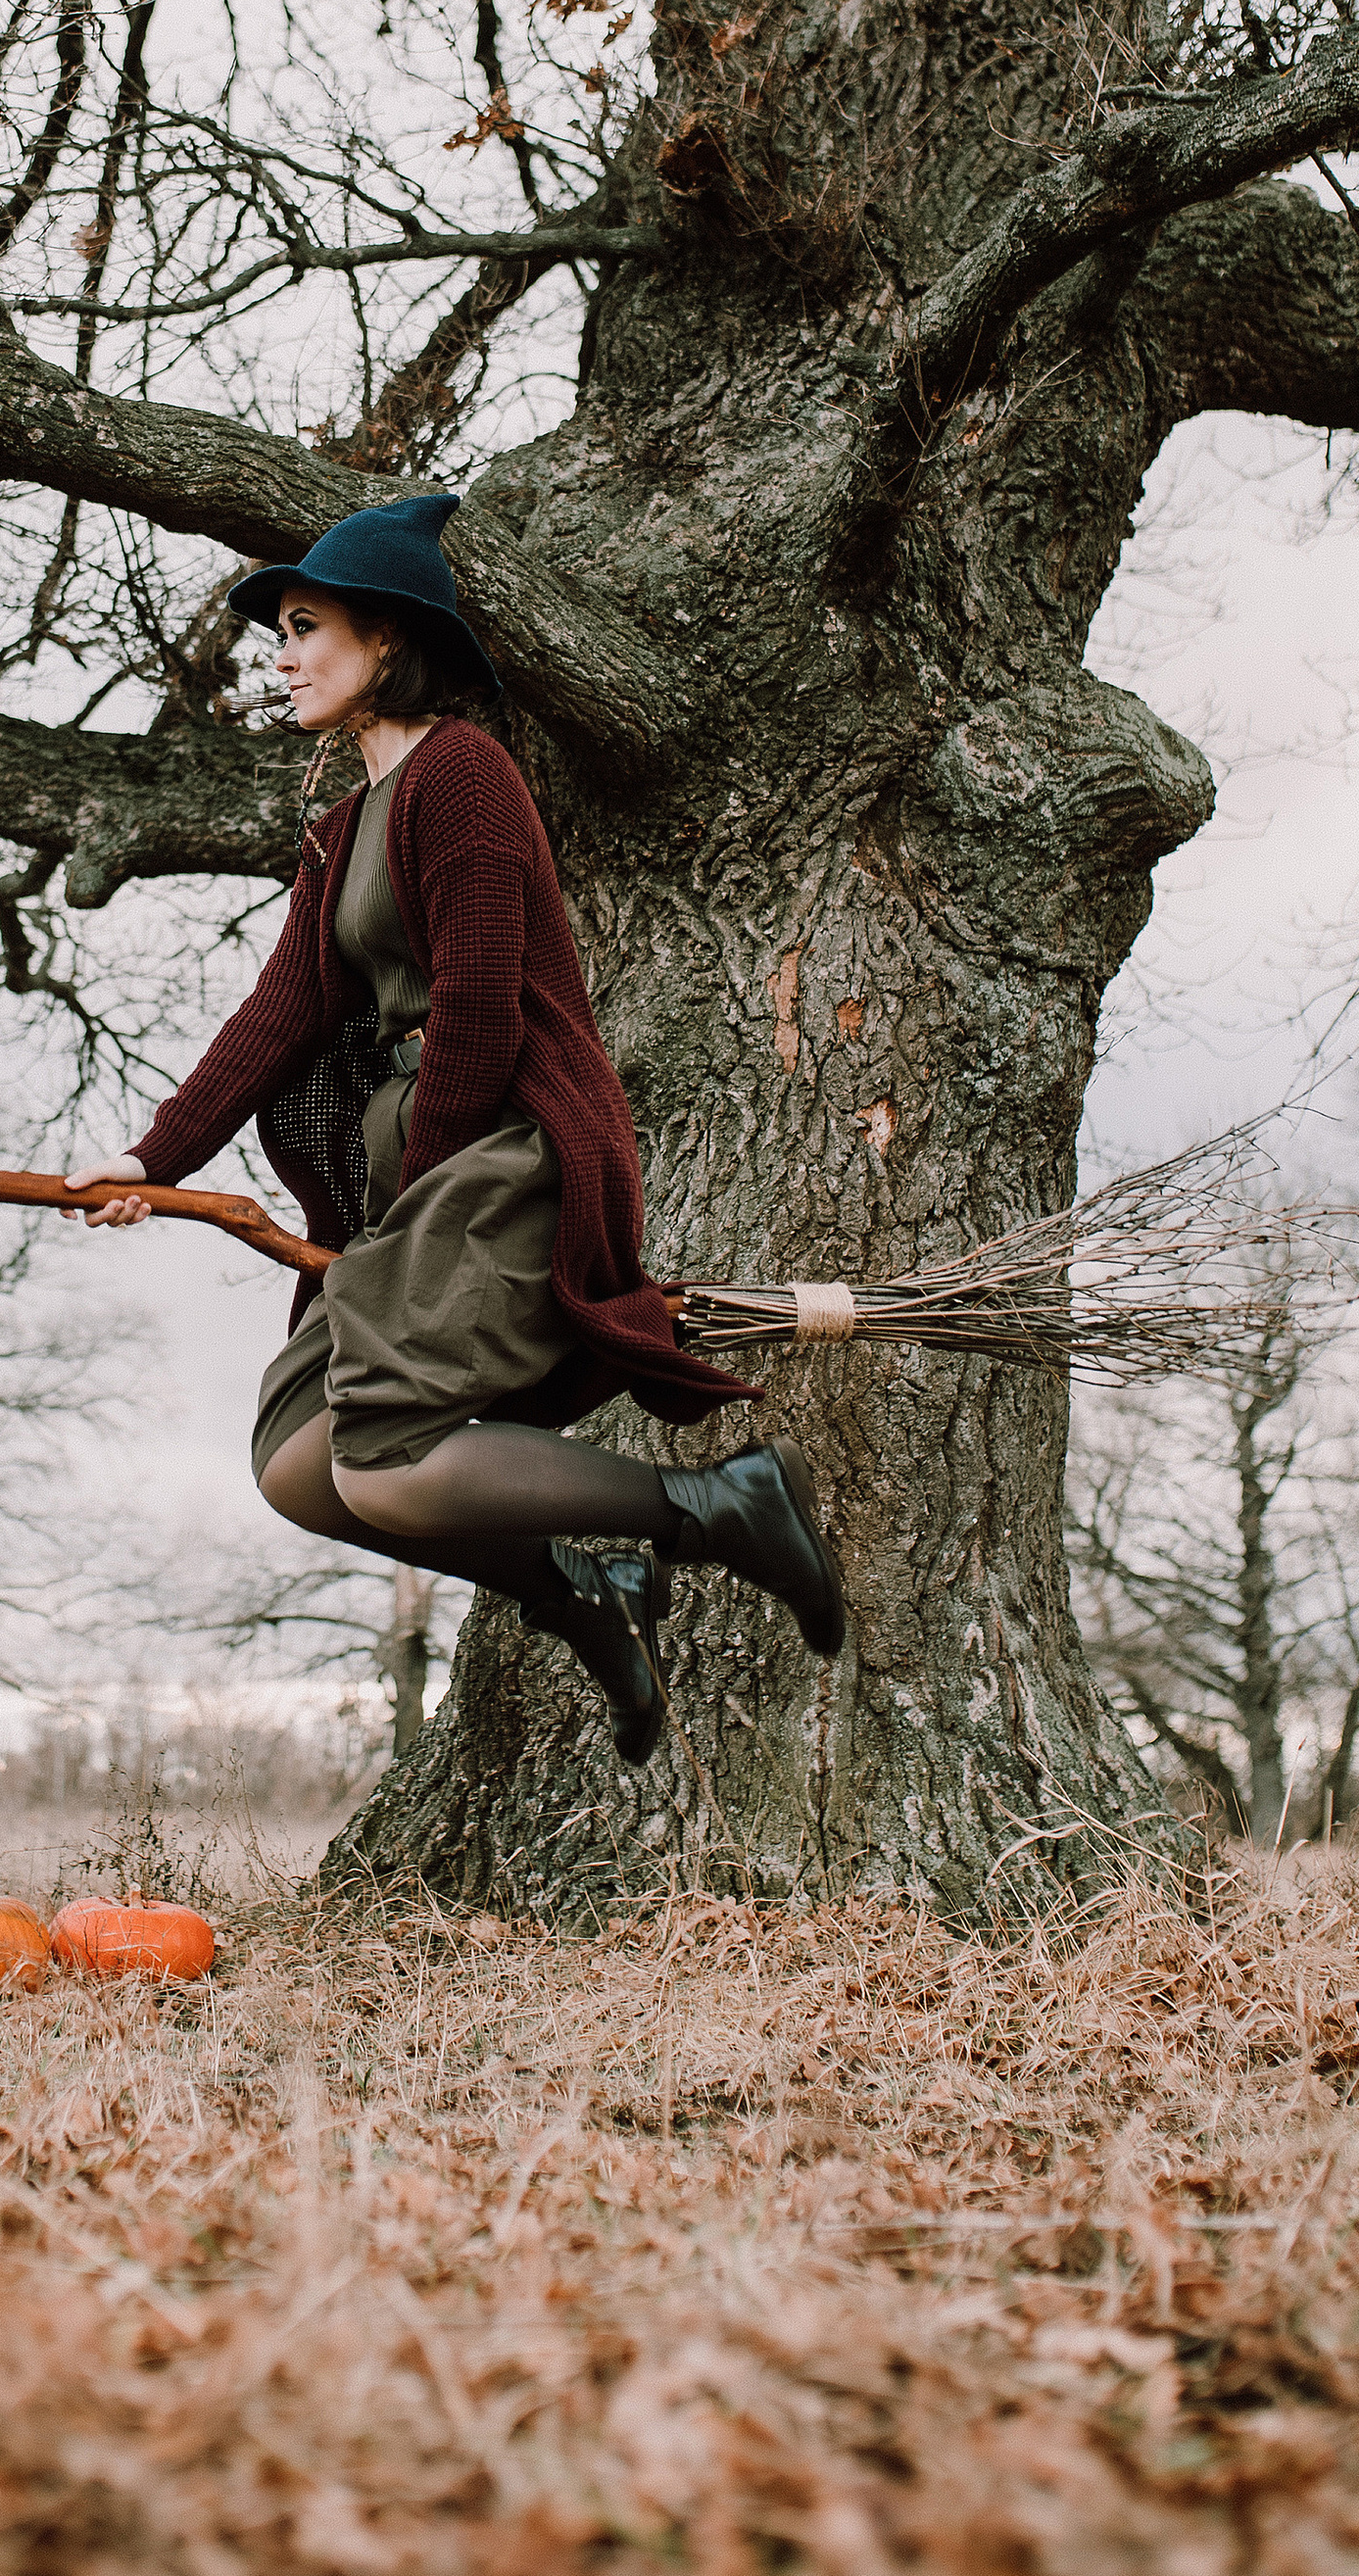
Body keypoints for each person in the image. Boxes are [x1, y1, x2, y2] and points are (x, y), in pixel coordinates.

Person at [70, 491, 844, 1767]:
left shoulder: (461, 774)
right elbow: (278, 1018)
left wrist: (416, 1201)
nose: (283, 652)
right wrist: (154, 1159)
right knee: (299, 1466)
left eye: (308, 626)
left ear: (387, 640)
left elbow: (480, 1008)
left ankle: (723, 1508)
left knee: (382, 1455)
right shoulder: (342, 831)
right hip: (416, 1171)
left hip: (500, 1151)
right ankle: (580, 1592)